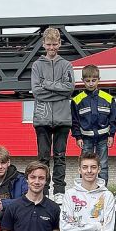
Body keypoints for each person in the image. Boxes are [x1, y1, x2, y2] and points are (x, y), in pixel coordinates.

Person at [31, 27, 75, 204]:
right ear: (43, 44)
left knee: (60, 155)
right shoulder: (37, 65)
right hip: (42, 118)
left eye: (54, 44)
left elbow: (69, 89)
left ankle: (59, 190)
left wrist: (47, 84)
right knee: (42, 157)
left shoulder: (66, 65)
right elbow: (37, 92)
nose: (51, 47)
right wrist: (59, 89)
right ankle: (44, 189)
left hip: (63, 118)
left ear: (60, 44)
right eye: (48, 44)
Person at [71, 64, 116, 184]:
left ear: (99, 80)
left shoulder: (108, 98)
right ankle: (84, 188)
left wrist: (111, 135)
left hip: (103, 138)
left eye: (94, 80)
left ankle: (102, 190)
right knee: (86, 164)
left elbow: (113, 118)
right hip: (86, 139)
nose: (91, 83)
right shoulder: (77, 100)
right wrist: (78, 137)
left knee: (103, 164)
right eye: (87, 81)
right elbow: (74, 121)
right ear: (82, 81)